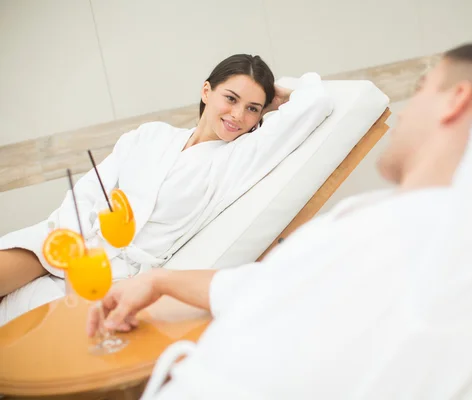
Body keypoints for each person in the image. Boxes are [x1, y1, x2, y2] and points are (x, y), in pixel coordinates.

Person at [89, 35, 472, 398]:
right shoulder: (386, 220)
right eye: (231, 99)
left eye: (422, 88)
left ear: (456, 100)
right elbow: (266, 286)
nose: (405, 110)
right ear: (205, 91)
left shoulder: (410, 237)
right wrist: (159, 281)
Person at [0, 54, 334, 325]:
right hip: (70, 239)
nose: (237, 115)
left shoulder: (240, 157)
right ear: (206, 91)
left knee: (23, 330)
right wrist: (72, 241)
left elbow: (316, 102)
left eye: (253, 108)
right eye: (230, 98)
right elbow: (90, 190)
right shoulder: (151, 135)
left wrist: (281, 93)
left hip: (116, 274)